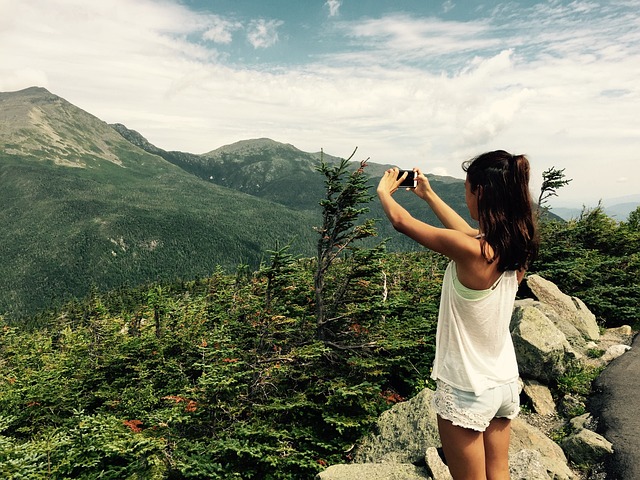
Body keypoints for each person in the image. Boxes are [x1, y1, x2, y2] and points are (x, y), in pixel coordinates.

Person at [377, 150, 538, 480]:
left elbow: (402, 222)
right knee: (499, 472)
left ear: (479, 191)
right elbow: (466, 231)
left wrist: (383, 192)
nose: (465, 196)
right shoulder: (516, 245)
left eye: (467, 188)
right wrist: (430, 196)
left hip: (467, 387)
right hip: (504, 382)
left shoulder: (474, 252)